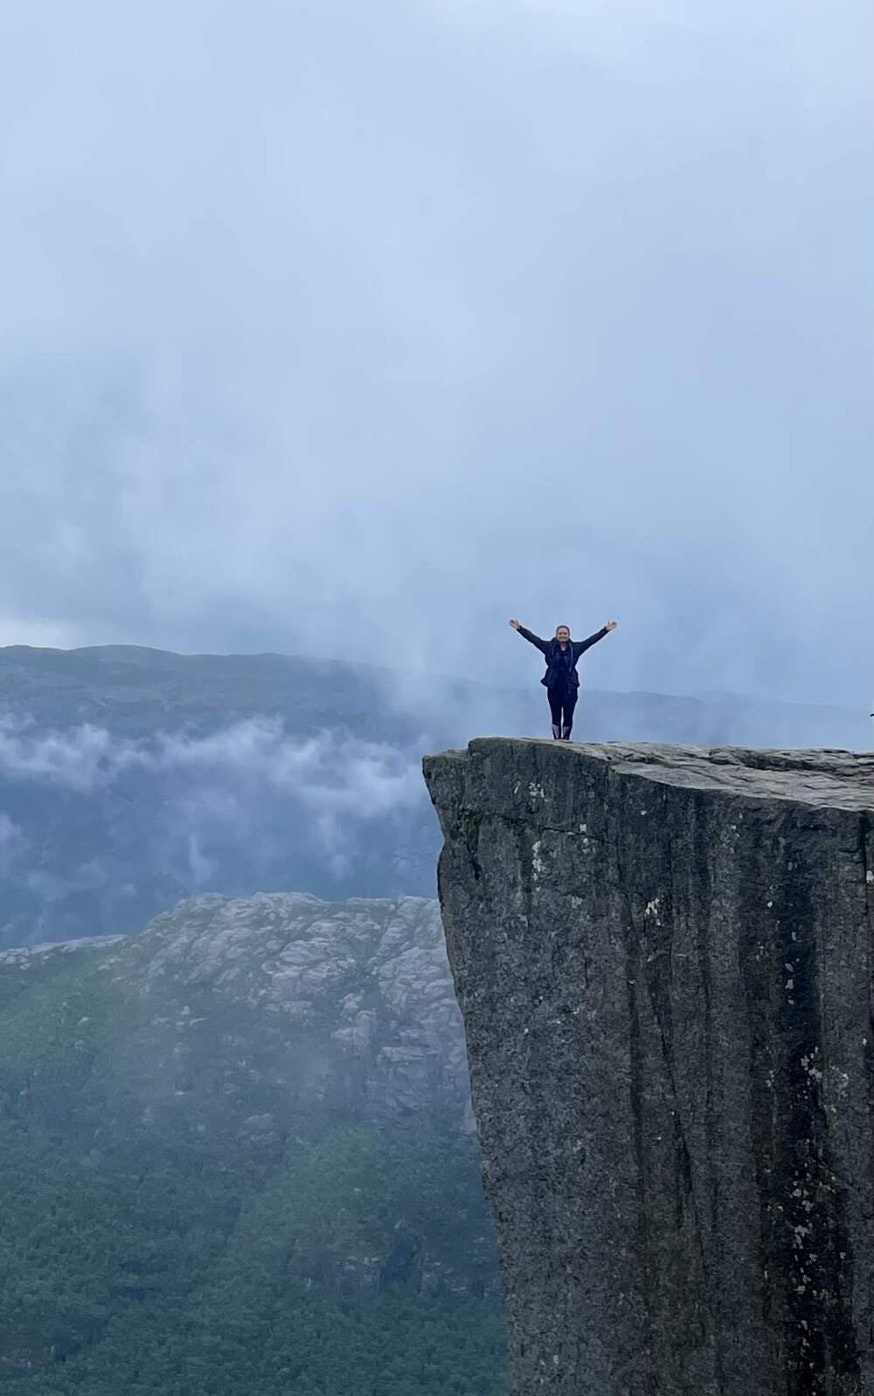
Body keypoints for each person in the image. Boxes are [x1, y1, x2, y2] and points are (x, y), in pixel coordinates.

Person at [509, 617, 618, 740]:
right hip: (553, 687)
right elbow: (533, 639)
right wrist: (519, 628)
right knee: (555, 715)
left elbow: (591, 641)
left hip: (570, 688)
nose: (562, 635)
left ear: (569, 635)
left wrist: (605, 630)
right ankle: (557, 740)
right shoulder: (548, 647)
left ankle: (565, 739)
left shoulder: (575, 648)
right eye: (560, 633)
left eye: (565, 633)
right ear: (556, 635)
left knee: (568, 715)